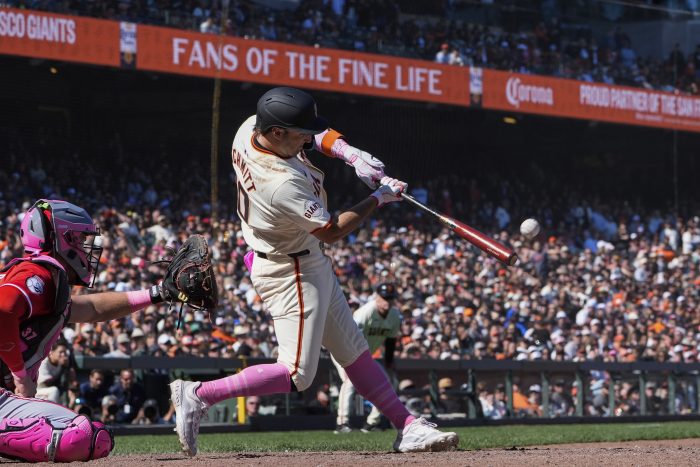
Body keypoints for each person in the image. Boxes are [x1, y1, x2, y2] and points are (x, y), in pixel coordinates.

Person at [170, 87, 458, 456]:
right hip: (292, 269)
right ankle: (198, 394)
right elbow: (331, 231)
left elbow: (316, 134)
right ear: (277, 132)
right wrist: (378, 198)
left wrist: (350, 154)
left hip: (296, 256)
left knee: (353, 351)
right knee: (297, 373)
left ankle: (407, 426)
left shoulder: (251, 128)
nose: (308, 139)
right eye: (300, 134)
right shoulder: (280, 183)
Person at [0, 199, 191, 462]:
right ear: (60, 238)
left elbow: (93, 308)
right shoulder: (38, 274)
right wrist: (20, 375)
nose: (85, 247)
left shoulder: (42, 280)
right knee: (86, 437)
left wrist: (158, 293)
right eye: (80, 239)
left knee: (88, 435)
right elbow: (3, 311)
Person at [332, 282, 401, 434]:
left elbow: (390, 342)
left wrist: (389, 363)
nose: (388, 301)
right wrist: (351, 363)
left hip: (365, 357)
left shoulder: (395, 316)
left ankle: (371, 424)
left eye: (391, 298)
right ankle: (342, 423)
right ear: (377, 297)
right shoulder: (365, 312)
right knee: (350, 381)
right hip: (343, 350)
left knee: (387, 382)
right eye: (385, 298)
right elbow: (348, 336)